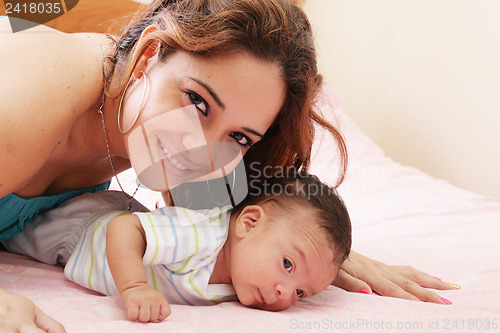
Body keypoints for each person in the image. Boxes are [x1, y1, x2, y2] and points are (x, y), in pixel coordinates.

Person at [0, 0, 457, 331]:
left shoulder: (194, 142)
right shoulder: (32, 94)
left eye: (239, 137)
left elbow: (237, 218)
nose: (201, 154)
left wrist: (308, 246)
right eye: (198, 102)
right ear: (144, 57)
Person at [4, 173, 353, 322]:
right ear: (248, 223)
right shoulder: (202, 234)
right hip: (81, 230)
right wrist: (135, 287)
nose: (284, 293)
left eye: (302, 293)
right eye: (289, 266)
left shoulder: (248, 278)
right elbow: (124, 228)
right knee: (11, 226)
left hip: (87, 240)